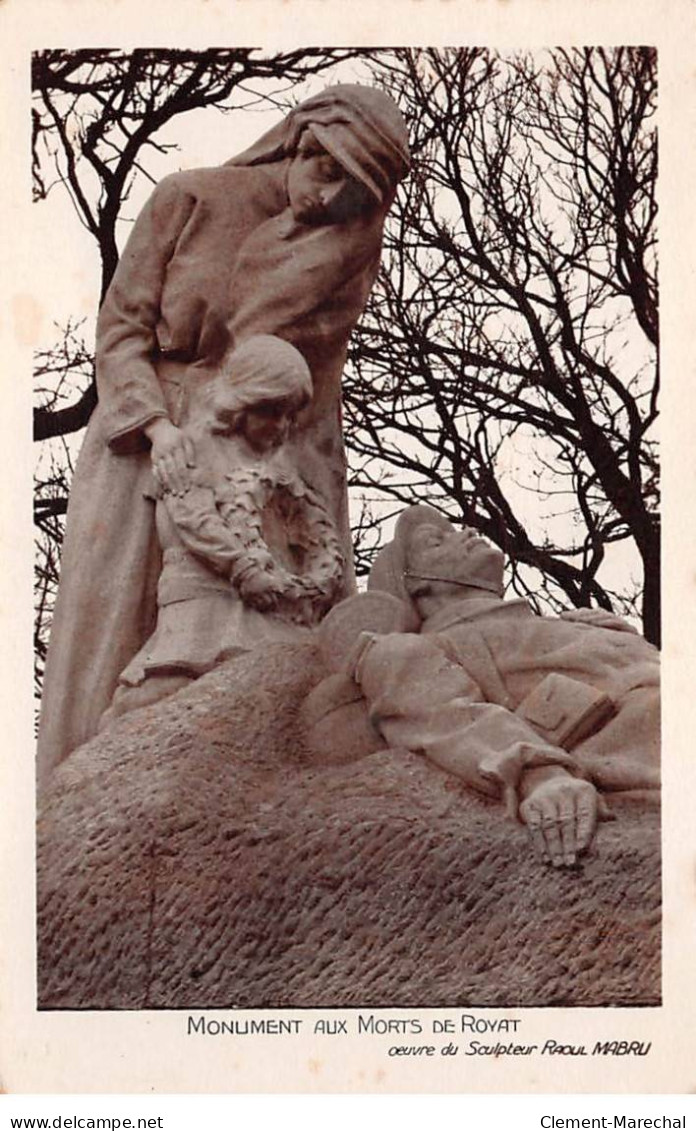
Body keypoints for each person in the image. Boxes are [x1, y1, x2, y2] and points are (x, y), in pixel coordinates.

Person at [37, 85, 410, 789]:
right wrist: (155, 428)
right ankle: (74, 808)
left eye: (353, 194)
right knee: (119, 624)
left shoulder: (346, 249)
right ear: (300, 139)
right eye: (327, 170)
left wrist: (321, 539)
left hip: (261, 443)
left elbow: (318, 399)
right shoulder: (190, 197)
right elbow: (120, 334)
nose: (329, 199)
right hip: (146, 433)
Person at [347, 505, 659, 867]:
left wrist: (630, 644)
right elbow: (449, 717)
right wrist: (541, 775)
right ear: (415, 583)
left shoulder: (584, 623)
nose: (466, 533)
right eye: (436, 542)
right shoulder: (407, 649)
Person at [101, 335, 343, 726]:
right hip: (206, 597)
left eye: (288, 416)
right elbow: (191, 516)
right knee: (173, 682)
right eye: (269, 412)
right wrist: (244, 569)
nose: (280, 427)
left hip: (269, 604)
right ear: (239, 404)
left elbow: (296, 530)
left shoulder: (279, 466)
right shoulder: (194, 446)